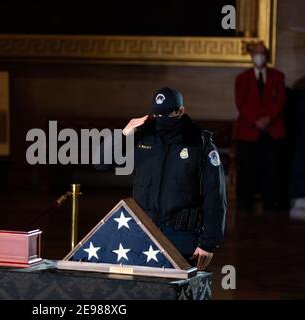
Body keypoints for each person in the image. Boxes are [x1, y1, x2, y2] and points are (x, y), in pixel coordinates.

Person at [95, 87, 227, 270]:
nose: (161, 120)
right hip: (142, 231)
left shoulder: (200, 143)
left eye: (167, 114)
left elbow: (215, 195)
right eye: (157, 115)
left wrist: (208, 243)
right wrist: (123, 134)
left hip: (181, 235)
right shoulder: (143, 136)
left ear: (181, 111)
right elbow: (101, 163)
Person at [234, 42, 286, 213]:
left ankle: (271, 201)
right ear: (251, 56)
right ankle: (245, 202)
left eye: (262, 53)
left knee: (271, 168)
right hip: (249, 131)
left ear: (267, 55)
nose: (259, 56)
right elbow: (241, 103)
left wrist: (268, 119)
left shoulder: (278, 76)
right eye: (256, 53)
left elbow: (280, 101)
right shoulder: (242, 79)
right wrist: (256, 120)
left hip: (272, 130)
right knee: (248, 168)